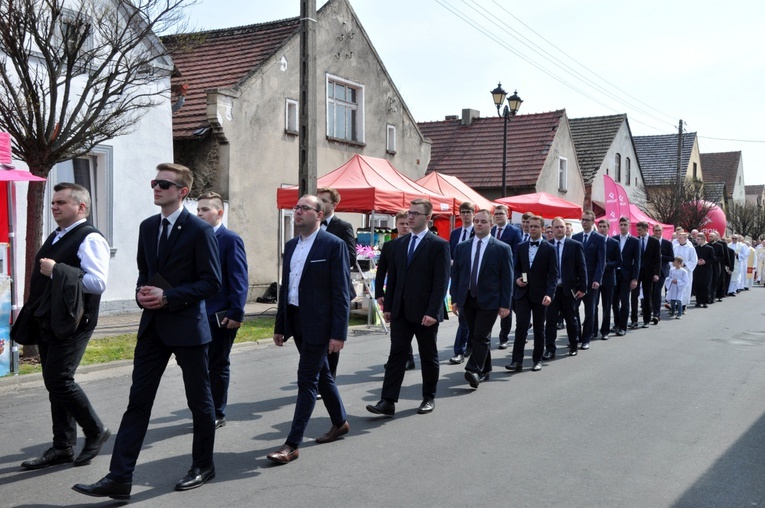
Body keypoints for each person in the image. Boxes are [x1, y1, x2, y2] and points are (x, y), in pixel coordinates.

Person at [74, 164, 222, 500]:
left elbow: (212, 283)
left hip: (188, 328)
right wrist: (144, 292)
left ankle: (203, 465)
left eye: (164, 184)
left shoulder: (200, 231)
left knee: (200, 403)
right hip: (153, 327)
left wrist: (169, 296)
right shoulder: (148, 226)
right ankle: (119, 477)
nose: (156, 188)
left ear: (182, 191)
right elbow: (146, 272)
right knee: (137, 403)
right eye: (154, 182)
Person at [17, 183, 110, 471]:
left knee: (59, 379)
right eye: (53, 202)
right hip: (50, 319)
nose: (54, 206)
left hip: (74, 322)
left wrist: (57, 270)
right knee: (53, 382)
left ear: (81, 207)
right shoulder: (58, 235)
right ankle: (62, 446)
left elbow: (98, 282)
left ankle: (94, 430)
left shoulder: (90, 238)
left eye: (61, 202)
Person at [267, 194, 351, 465]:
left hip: (321, 324)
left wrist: (339, 333)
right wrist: (281, 325)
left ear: (320, 214)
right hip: (296, 319)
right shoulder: (291, 246)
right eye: (297, 207)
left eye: (305, 208)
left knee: (306, 380)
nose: (298, 211)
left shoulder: (333, 245)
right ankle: (339, 421)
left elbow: (340, 292)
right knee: (322, 374)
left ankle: (292, 444)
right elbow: (287, 288)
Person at [367, 199, 450, 416]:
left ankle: (428, 397)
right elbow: (393, 278)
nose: (410, 217)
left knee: (428, 354)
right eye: (409, 213)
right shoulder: (398, 244)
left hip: (425, 313)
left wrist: (432, 311)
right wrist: (388, 306)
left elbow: (440, 282)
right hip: (401, 311)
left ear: (428, 218)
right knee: (397, 355)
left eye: (416, 214)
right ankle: (387, 401)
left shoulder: (438, 245)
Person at [196, 192, 249, 430]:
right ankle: (203, 408)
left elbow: (238, 278)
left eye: (205, 210)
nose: (200, 214)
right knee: (198, 365)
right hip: (195, 314)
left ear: (219, 212)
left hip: (221, 314)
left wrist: (236, 311)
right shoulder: (195, 238)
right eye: (197, 211)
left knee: (217, 364)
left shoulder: (229, 239)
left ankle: (217, 412)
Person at [451, 210, 513, 388]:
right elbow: (456, 275)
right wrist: (455, 298)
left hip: (490, 300)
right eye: (476, 221)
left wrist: (505, 304)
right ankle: (486, 368)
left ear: (491, 225)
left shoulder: (502, 248)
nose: (479, 224)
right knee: (476, 335)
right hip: (467, 299)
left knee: (481, 335)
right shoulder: (462, 247)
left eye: (483, 222)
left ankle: (473, 369)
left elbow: (507, 279)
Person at [506, 215, 557, 372]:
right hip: (523, 293)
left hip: (541, 294)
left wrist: (549, 294)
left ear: (542, 228)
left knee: (539, 328)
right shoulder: (521, 247)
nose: (532, 228)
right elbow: (515, 268)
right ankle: (516, 361)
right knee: (521, 326)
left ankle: (537, 360)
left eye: (535, 226)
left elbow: (553, 274)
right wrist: (517, 279)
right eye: (529, 225)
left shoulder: (550, 248)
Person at [317, 187, 356, 379]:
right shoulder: (310, 225)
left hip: (336, 289)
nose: (320, 204)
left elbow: (350, 257)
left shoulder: (343, 227)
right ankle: (317, 377)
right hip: (316, 291)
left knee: (332, 339)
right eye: (318, 200)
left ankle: (328, 379)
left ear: (334, 204)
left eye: (324, 200)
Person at [376, 210, 415, 371]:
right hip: (393, 292)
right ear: (396, 226)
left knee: (407, 329)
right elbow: (381, 271)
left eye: (407, 224)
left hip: (411, 293)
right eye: (401, 224)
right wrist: (379, 293)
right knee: (397, 330)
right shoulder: (390, 246)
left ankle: (406, 358)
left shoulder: (415, 245)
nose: (405, 227)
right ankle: (404, 358)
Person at [543, 217, 587, 359]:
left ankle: (573, 345)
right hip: (552, 290)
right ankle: (550, 349)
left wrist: (583, 288)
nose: (560, 229)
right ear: (552, 229)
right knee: (550, 320)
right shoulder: (546, 245)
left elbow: (582, 268)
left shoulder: (575, 245)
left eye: (562, 227)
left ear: (566, 229)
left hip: (569, 289)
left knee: (571, 319)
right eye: (557, 227)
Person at [571, 210, 605, 349]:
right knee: (573, 309)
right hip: (577, 281)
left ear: (593, 222)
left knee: (590, 311)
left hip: (591, 282)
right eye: (583, 219)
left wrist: (597, 278)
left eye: (587, 220)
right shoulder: (575, 237)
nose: (584, 222)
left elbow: (601, 262)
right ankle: (577, 334)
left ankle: (586, 339)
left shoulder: (599, 239)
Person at [490, 204, 522, 349]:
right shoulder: (490, 231)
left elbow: (517, 254)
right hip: (492, 275)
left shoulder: (514, 232)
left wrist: (513, 273)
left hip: (507, 274)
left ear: (507, 214)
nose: (498, 216)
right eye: (496, 214)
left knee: (506, 306)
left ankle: (503, 337)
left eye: (501, 213)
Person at [448, 202, 475, 364]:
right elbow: (451, 254)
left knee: (471, 320)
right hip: (459, 279)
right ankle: (459, 350)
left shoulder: (478, 231)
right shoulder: (455, 233)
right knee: (463, 318)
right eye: (463, 212)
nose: (465, 215)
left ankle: (468, 346)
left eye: (468, 212)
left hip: (474, 280)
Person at [612, 217, 640, 336]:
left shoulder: (634, 241)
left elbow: (637, 261)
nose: (623, 226)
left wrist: (635, 278)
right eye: (621, 224)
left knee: (624, 301)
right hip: (614, 274)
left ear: (629, 226)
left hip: (627, 276)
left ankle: (623, 327)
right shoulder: (614, 239)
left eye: (625, 224)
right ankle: (617, 323)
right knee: (614, 301)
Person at [630, 221, 660, 329]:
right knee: (634, 296)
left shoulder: (654, 241)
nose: (638, 232)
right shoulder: (635, 240)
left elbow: (658, 259)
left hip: (649, 273)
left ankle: (646, 319)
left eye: (640, 229)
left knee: (647, 296)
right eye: (637, 230)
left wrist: (657, 273)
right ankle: (634, 320)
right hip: (636, 273)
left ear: (646, 229)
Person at [595, 219, 621, 340]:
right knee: (593, 306)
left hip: (608, 279)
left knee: (607, 306)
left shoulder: (614, 243)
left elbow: (619, 261)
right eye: (600, 226)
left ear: (608, 228)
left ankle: (605, 331)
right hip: (594, 278)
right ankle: (593, 330)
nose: (602, 228)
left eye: (604, 226)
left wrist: (607, 265)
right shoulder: (593, 241)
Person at [652, 225, 675, 322]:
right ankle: (650, 311)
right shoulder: (650, 242)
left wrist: (661, 256)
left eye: (659, 230)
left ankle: (657, 314)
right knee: (650, 292)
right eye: (656, 230)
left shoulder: (667, 243)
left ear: (662, 231)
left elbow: (671, 258)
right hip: (651, 271)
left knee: (657, 292)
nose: (657, 232)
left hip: (662, 271)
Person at [672, 233, 697, 310]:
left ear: (685, 238)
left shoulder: (690, 248)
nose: (678, 239)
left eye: (680, 238)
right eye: (678, 238)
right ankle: (675, 304)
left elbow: (694, 260)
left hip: (686, 271)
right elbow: (672, 258)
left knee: (685, 287)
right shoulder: (675, 247)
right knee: (676, 287)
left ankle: (683, 305)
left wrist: (685, 264)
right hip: (676, 271)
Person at [693, 233, 715, 308]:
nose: (697, 241)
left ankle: (705, 302)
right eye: (697, 239)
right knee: (697, 285)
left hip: (706, 270)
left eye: (698, 239)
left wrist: (705, 262)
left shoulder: (709, 248)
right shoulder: (695, 248)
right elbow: (693, 258)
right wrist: (697, 262)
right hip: (697, 269)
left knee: (705, 286)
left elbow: (713, 259)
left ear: (703, 240)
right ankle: (698, 301)